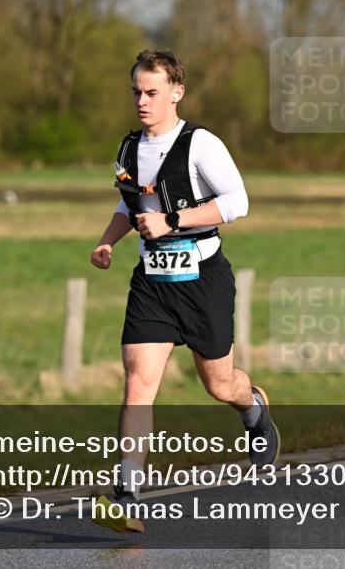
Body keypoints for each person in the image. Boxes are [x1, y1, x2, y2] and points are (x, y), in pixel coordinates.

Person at [89, 49, 279, 534]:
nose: (142, 101)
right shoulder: (130, 147)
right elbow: (127, 202)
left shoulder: (200, 144)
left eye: (152, 92)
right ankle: (126, 493)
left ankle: (253, 406)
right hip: (152, 282)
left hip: (202, 279)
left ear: (177, 92)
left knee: (218, 385)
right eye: (136, 92)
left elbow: (238, 202)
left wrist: (172, 220)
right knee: (137, 384)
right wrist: (108, 241)